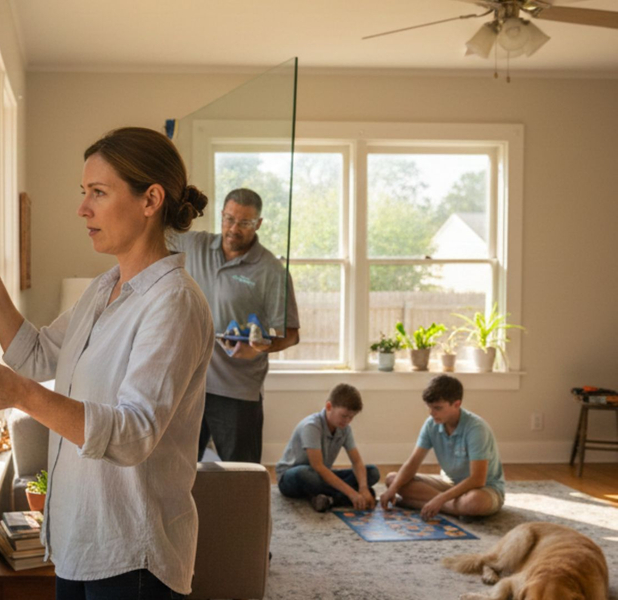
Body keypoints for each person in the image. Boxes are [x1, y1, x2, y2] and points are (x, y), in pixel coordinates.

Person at [0, 127, 212, 599]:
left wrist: (18, 393)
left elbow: (132, 435)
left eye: (98, 193)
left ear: (151, 200)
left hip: (132, 556)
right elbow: (34, 354)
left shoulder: (173, 303)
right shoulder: (103, 289)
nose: (82, 208)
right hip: (78, 540)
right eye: (84, 193)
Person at [168, 188, 300, 463]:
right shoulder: (196, 246)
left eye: (244, 223)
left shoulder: (272, 271)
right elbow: (156, 230)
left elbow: (289, 335)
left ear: (259, 224)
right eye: (229, 219)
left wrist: (259, 348)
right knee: (179, 471)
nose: (233, 229)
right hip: (190, 384)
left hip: (237, 391)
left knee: (242, 477)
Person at [379, 375, 506, 520]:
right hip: (451, 485)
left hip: (483, 490)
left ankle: (423, 504)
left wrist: (440, 500)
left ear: (456, 404)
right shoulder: (431, 423)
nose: (432, 413)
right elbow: (413, 463)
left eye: (438, 408)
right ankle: (455, 509)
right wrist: (393, 490)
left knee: (474, 502)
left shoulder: (476, 428)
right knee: (392, 479)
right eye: (430, 407)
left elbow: (477, 479)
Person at [275, 383, 379, 512]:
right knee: (306, 474)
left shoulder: (345, 429)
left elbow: (357, 462)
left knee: (372, 472)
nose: (347, 420)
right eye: (344, 415)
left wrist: (363, 488)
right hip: (292, 478)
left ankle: (326, 499)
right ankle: (340, 497)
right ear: (329, 407)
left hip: (321, 476)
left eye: (351, 417)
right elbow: (317, 466)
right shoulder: (312, 426)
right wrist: (352, 493)